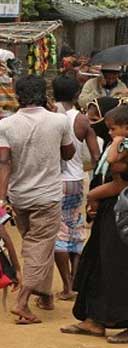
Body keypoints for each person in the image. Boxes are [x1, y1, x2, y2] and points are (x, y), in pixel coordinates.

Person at [62, 100, 128, 344]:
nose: (111, 134)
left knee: (126, 269)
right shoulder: (126, 145)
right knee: (100, 264)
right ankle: (95, 319)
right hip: (111, 214)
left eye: (113, 129)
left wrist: (94, 195)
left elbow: (121, 181)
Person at [0, 75, 75, 324]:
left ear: (17, 94)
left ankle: (44, 295)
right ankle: (22, 302)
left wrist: (2, 198)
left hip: (19, 196)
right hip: (47, 195)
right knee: (39, 248)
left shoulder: (6, 125)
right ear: (45, 93)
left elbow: (4, 163)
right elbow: (69, 152)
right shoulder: (58, 121)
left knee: (36, 247)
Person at [52, 75, 101, 301]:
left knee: (59, 233)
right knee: (75, 229)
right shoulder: (81, 120)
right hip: (76, 179)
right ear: (75, 95)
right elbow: (95, 155)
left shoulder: (52, 116)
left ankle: (66, 284)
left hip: (54, 181)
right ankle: (75, 278)